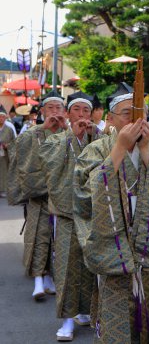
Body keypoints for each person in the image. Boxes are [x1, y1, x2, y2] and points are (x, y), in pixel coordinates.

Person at [73, 86, 149, 343]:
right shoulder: (97, 149)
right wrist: (120, 148)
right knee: (116, 324)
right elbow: (83, 195)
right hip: (115, 247)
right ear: (110, 120)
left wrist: (145, 152)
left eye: (141, 114)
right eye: (127, 114)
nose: (136, 120)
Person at [40, 91, 103, 342]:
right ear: (68, 114)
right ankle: (67, 320)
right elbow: (48, 163)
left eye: (86, 111)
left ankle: (87, 312)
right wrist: (71, 136)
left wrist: (93, 135)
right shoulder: (58, 139)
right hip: (67, 214)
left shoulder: (99, 139)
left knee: (92, 265)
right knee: (66, 267)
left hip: (94, 214)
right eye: (76, 110)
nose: (82, 115)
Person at [14, 90, 66, 300]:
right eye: (50, 108)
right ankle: (37, 279)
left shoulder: (67, 133)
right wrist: (43, 128)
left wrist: (65, 130)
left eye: (58, 108)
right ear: (42, 111)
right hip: (39, 195)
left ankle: (50, 278)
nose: (54, 112)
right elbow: (20, 149)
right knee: (38, 237)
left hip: (61, 198)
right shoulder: (33, 132)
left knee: (57, 240)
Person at [0, 105, 16, 197]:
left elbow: (14, 142)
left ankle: (4, 189)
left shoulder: (9, 129)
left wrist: (7, 145)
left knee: (4, 171)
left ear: (5, 117)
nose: (1, 118)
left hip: (5, 154)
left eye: (2, 117)